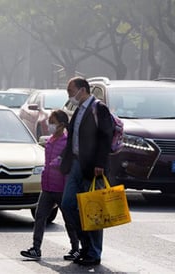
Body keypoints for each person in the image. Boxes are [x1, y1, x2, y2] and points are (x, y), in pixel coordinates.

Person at [60, 76, 114, 267]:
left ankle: (94, 252)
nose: (70, 96)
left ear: (82, 90)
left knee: (94, 211)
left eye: (70, 91)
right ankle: (85, 244)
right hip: (75, 164)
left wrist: (100, 162)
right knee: (67, 205)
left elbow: (105, 137)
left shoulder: (98, 108)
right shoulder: (78, 110)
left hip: (93, 167)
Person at [20, 110, 80, 261]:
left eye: (53, 122)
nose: (50, 125)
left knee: (69, 220)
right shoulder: (50, 141)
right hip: (47, 187)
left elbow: (69, 164)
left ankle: (75, 248)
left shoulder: (67, 143)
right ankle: (36, 248)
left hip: (61, 188)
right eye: (50, 121)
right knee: (40, 217)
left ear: (61, 125)